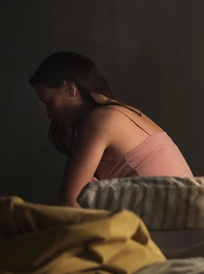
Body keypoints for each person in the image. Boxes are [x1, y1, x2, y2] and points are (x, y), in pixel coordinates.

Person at [30, 52, 193, 207]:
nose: (49, 114)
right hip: (184, 218)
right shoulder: (125, 112)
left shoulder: (101, 120)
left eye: (49, 101)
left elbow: (69, 204)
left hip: (171, 222)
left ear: (69, 88)